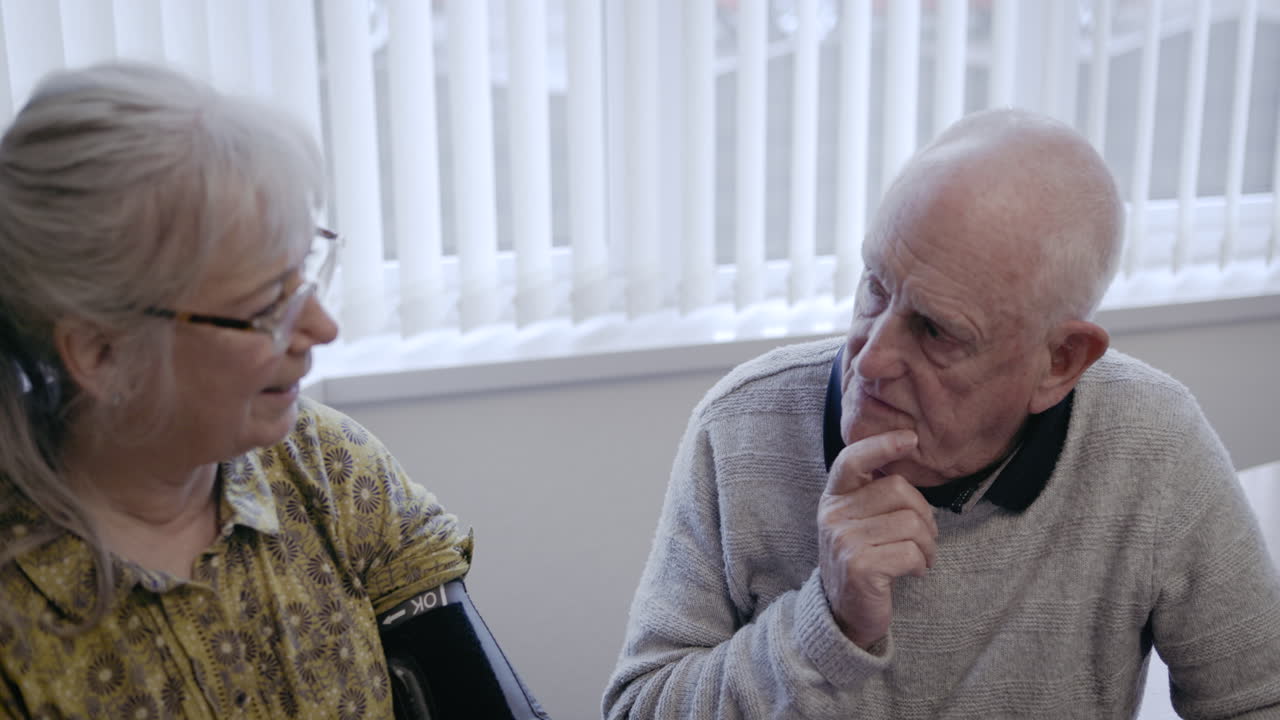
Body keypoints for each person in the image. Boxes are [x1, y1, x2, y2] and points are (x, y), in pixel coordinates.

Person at [603, 109, 1280, 718]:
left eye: (935, 331)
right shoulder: (741, 429)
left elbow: (1258, 698)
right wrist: (825, 622)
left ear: (1061, 362)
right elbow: (639, 710)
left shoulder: (1151, 443)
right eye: (875, 286)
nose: (869, 360)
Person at [0, 62, 546, 719]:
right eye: (267, 306)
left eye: (303, 274)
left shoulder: (329, 468)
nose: (322, 326)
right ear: (102, 353)